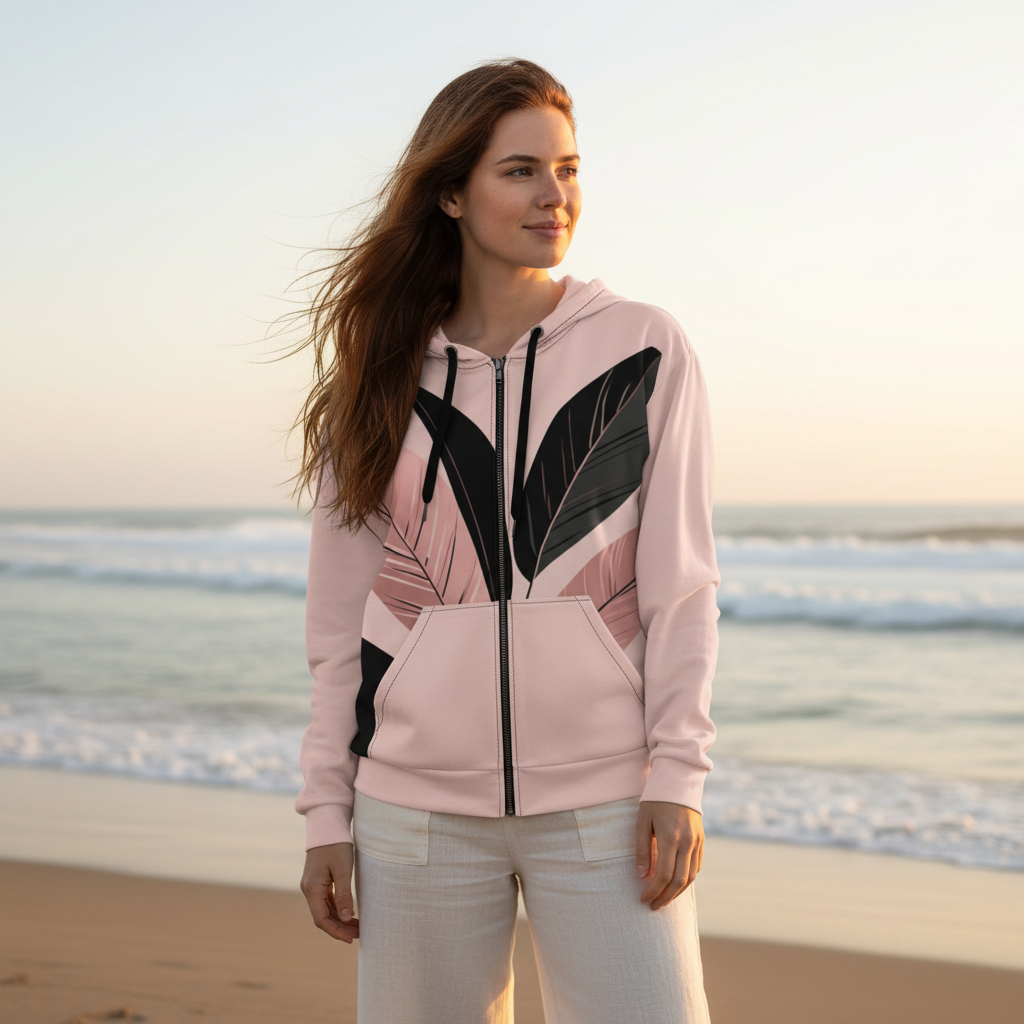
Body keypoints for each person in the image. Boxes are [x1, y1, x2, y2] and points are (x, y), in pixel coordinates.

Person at [292, 58, 719, 1024]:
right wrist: (326, 813)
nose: (554, 194)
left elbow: (682, 586)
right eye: (521, 170)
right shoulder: (380, 376)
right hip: (415, 818)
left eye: (568, 169)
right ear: (451, 192)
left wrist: (678, 776)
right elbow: (337, 624)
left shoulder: (643, 347)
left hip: (606, 809)